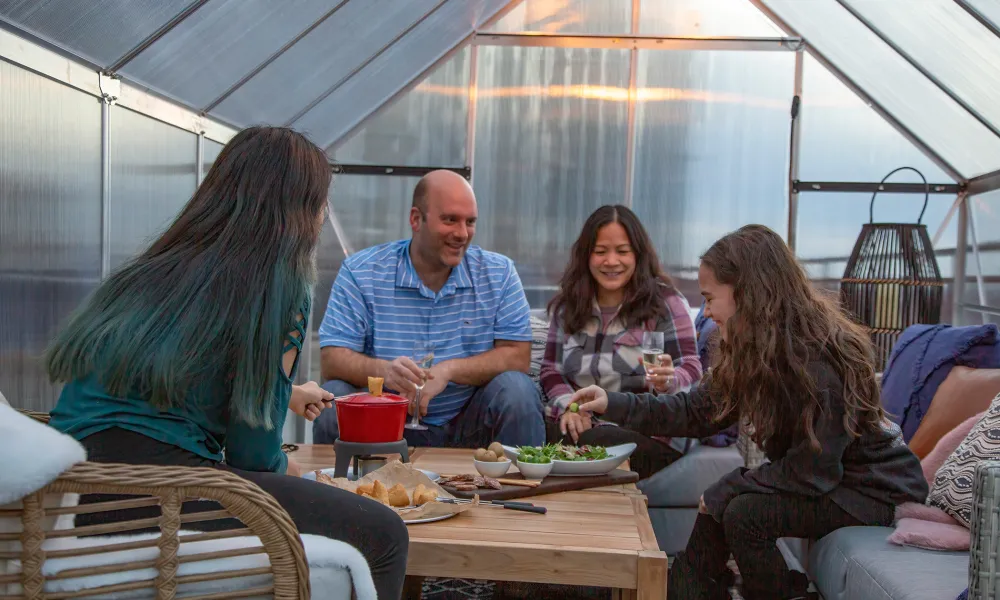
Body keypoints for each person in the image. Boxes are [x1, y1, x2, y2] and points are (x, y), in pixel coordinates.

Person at [45, 127, 409, 600]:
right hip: (165, 494)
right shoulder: (279, 284)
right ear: (295, 210)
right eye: (320, 203)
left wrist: (289, 398)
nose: (323, 217)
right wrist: (290, 470)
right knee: (383, 533)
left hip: (71, 488)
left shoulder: (147, 270)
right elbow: (253, 455)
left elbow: (171, 380)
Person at [564, 225, 928, 600]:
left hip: (872, 490)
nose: (705, 311)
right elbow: (697, 412)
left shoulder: (818, 360)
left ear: (747, 292)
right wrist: (613, 402)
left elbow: (813, 470)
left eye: (709, 299)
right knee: (734, 505)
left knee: (745, 512)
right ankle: (692, 589)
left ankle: (738, 590)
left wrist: (726, 488)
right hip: (831, 477)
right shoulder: (754, 348)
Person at [313, 170, 544, 448]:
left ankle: (517, 489)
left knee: (518, 391)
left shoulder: (498, 273)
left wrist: (447, 371)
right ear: (415, 219)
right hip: (385, 423)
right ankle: (338, 490)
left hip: (469, 422)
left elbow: (517, 357)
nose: (462, 233)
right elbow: (332, 359)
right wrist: (386, 372)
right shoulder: (363, 273)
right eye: (450, 220)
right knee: (334, 399)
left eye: (470, 222)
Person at [541, 205, 702, 478]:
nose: (611, 261)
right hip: (585, 426)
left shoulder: (666, 304)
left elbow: (691, 366)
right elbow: (551, 371)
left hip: (649, 432)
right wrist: (571, 407)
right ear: (586, 255)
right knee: (541, 430)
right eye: (601, 251)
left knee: (594, 443)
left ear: (638, 255)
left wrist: (669, 380)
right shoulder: (567, 308)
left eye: (623, 251)